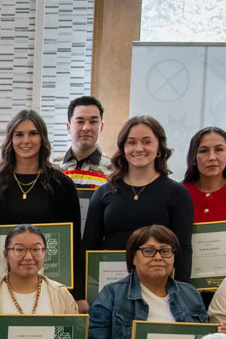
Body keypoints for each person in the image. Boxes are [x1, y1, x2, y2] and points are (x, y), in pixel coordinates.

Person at [82, 116, 194, 282]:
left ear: (159, 146)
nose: (139, 148)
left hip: (160, 287)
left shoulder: (177, 193)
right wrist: (83, 293)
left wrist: (181, 293)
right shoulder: (104, 192)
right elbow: (89, 247)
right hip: (110, 286)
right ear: (123, 148)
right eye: (131, 142)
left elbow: (183, 249)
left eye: (147, 142)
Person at [0, 109, 83, 289]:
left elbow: (74, 243)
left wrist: (77, 292)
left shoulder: (62, 184)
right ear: (10, 140)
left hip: (51, 281)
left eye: (33, 133)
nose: (26, 140)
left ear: (42, 139)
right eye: (19, 134)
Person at [60, 96, 111, 195]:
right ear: (69, 127)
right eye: (80, 121)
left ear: (101, 127)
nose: (86, 128)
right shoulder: (52, 169)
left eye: (93, 122)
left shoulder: (115, 171)